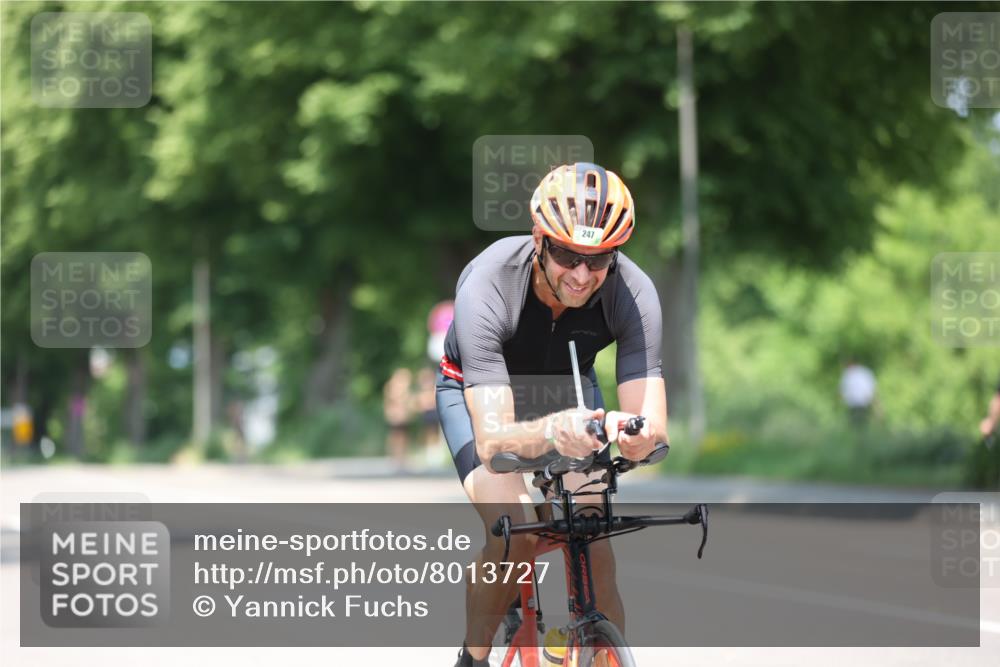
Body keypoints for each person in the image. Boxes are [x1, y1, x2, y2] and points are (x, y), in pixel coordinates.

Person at [437, 163, 666, 667]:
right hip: (476, 392)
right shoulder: (489, 283)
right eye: (566, 255)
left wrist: (636, 439)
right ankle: (472, 658)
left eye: (599, 259)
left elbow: (650, 424)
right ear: (540, 239)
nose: (582, 276)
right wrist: (552, 433)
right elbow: (496, 442)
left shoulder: (633, 292)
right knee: (514, 532)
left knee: (592, 533)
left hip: (565, 387)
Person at [383, 368, 413, 468]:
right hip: (395, 416)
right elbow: (390, 401)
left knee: (404, 437)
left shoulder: (405, 388)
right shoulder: (391, 386)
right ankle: (394, 457)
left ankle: (402, 457)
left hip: (403, 416)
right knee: (395, 437)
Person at [840, 359, 877, 428]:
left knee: (855, 421)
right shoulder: (865, 372)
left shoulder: (848, 373)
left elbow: (844, 389)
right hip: (862, 401)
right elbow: (871, 387)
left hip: (855, 402)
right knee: (862, 421)